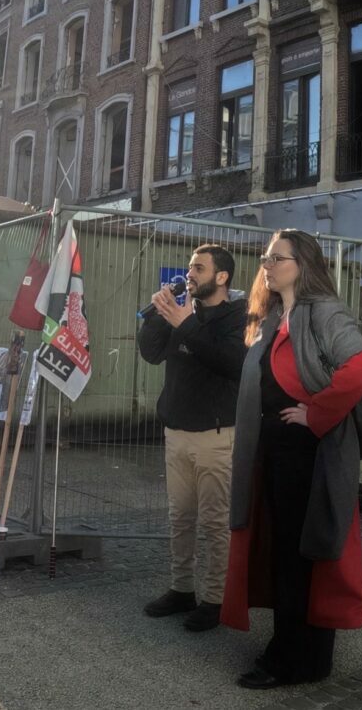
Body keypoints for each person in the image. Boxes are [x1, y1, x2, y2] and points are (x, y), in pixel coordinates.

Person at [222, 229, 362, 689]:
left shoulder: (323, 311)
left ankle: (293, 660)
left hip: (306, 454)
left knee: (299, 556)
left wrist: (317, 415)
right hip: (275, 453)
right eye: (266, 257)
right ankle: (298, 652)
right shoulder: (274, 316)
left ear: (303, 264)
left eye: (277, 257)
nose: (266, 264)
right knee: (286, 552)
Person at [137, 244, 246, 633]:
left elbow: (229, 361)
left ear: (222, 277)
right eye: (189, 267)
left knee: (216, 523)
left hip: (216, 436)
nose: (189, 274)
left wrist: (185, 323)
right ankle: (181, 589)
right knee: (180, 518)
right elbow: (151, 353)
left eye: (198, 268)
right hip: (177, 432)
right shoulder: (185, 311)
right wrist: (157, 318)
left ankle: (215, 599)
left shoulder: (239, 316)